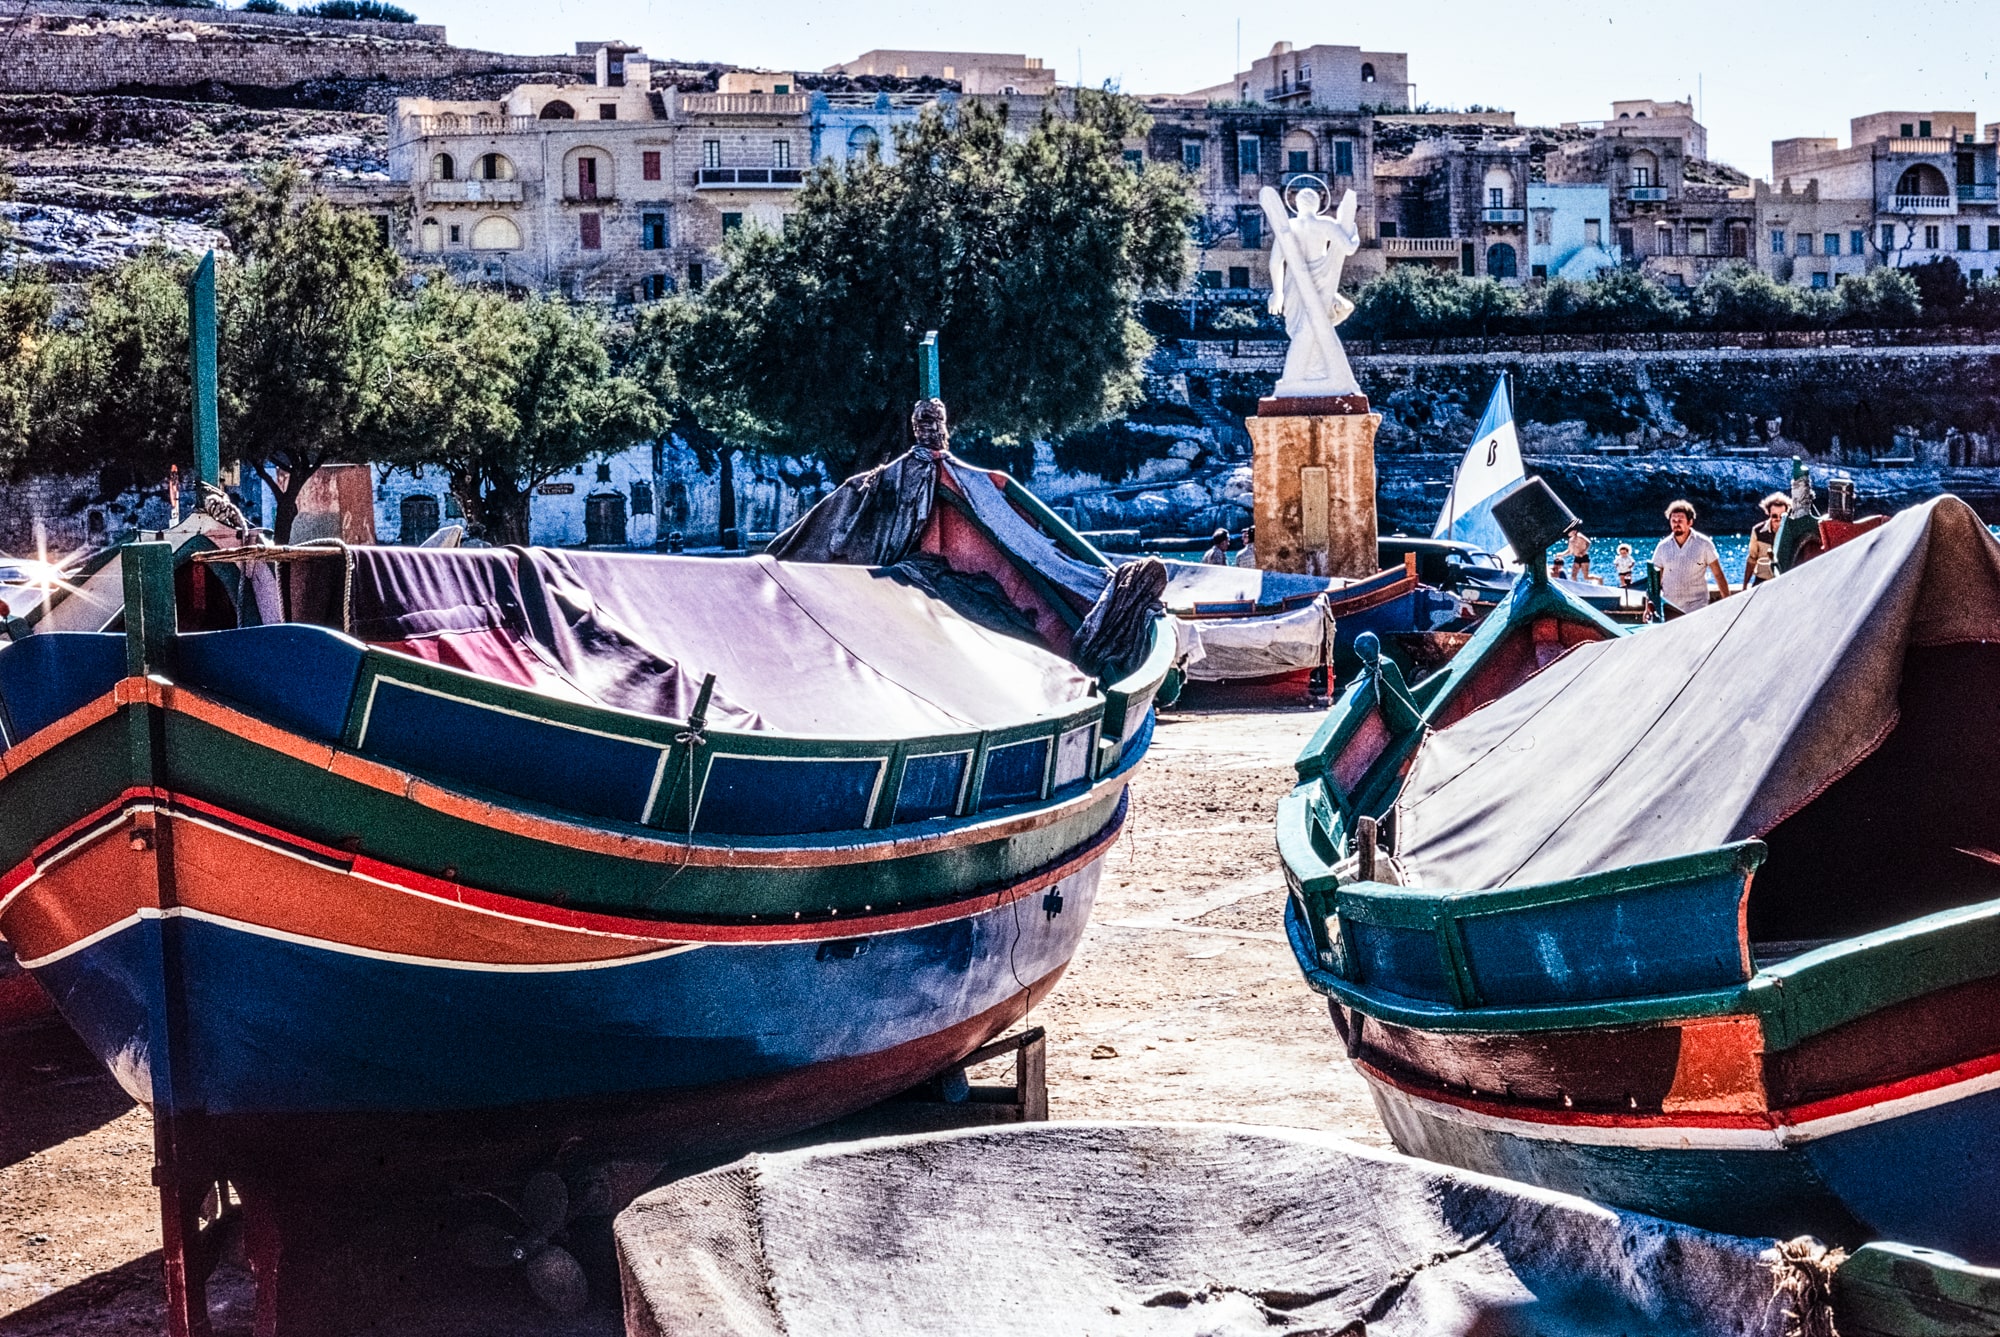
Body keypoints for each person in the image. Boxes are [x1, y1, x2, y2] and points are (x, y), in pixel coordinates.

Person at [1651, 499, 1730, 616]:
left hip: (1697, 606)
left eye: (1680, 520)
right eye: (1673, 520)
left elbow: (1718, 574)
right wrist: (1650, 603)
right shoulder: (1663, 547)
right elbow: (1654, 579)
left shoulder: (1704, 544)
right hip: (1670, 606)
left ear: (1690, 522)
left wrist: (1727, 602)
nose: (1676, 524)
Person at [1743, 492, 1790, 587]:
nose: (1778, 519)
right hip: (1761, 581)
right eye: (1774, 516)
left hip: (1784, 581)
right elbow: (1752, 559)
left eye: (1782, 516)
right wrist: (1744, 585)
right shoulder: (1757, 531)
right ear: (1768, 513)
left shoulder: (1790, 532)